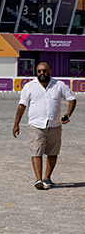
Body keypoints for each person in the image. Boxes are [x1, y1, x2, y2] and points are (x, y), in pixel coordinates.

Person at [12, 62, 76, 190]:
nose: (42, 73)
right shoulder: (29, 87)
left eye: (44, 71)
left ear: (50, 71)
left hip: (55, 125)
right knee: (37, 151)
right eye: (39, 71)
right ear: (36, 72)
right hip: (36, 125)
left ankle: (47, 178)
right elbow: (22, 106)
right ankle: (38, 179)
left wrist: (68, 114)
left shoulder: (59, 85)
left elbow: (72, 99)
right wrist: (16, 124)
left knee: (53, 152)